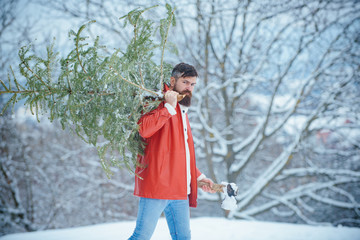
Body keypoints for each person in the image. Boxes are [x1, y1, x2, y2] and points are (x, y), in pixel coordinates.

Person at [129, 63, 216, 240]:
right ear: (172, 80)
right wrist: (167, 107)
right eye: (185, 82)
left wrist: (198, 178)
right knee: (141, 237)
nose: (189, 88)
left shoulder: (182, 109)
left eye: (192, 85)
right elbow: (143, 129)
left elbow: (180, 152)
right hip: (157, 187)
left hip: (179, 190)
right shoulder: (155, 100)